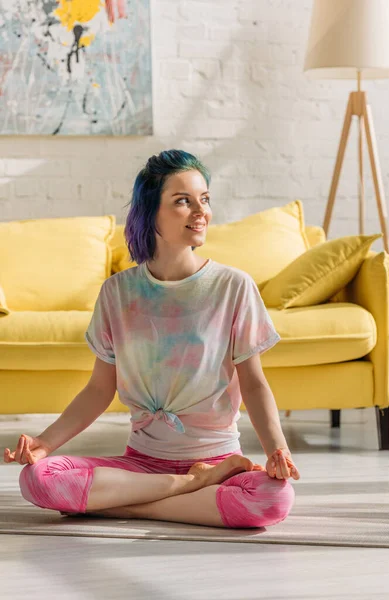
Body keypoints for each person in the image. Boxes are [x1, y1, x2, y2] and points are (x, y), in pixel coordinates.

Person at [4, 149, 300, 529]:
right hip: (141, 462)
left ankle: (128, 503)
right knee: (38, 478)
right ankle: (189, 485)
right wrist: (45, 443)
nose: (201, 212)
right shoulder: (117, 293)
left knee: (272, 499)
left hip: (218, 458)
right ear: (151, 213)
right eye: (183, 201)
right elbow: (98, 389)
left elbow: (254, 384)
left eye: (204, 199)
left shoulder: (233, 287)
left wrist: (279, 449)